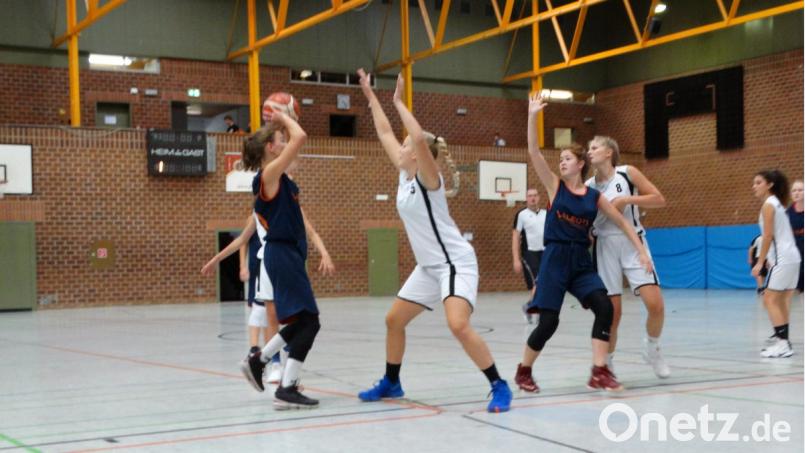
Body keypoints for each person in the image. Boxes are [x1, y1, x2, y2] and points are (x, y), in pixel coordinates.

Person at [355, 68, 512, 413]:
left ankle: (499, 385)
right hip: (428, 267)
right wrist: (370, 96)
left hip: (455, 262)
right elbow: (383, 131)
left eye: (407, 144)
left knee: (457, 324)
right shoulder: (404, 174)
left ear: (418, 153)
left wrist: (398, 101)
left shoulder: (430, 178)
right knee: (393, 320)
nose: (401, 145)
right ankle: (392, 382)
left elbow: (417, 136)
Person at [515, 94, 653, 394]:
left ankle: (599, 370)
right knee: (548, 323)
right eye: (560, 159)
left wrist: (642, 252)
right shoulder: (555, 187)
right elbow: (533, 150)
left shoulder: (594, 197)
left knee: (605, 308)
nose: (561, 162)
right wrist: (532, 116)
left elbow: (622, 221)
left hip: (579, 260)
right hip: (554, 258)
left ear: (580, 164)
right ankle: (524, 370)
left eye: (566, 158)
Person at [586, 136, 670, 379]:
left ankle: (652, 348)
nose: (590, 152)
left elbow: (659, 199)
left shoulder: (627, 173)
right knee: (612, 313)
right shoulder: (589, 185)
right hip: (604, 247)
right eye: (589, 148)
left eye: (594, 147)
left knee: (656, 305)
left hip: (633, 242)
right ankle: (608, 364)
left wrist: (627, 199)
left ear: (609, 152)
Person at [752, 170, 801, 358]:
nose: (754, 186)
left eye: (758, 182)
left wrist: (760, 263)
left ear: (769, 184)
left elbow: (768, 236)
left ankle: (782, 344)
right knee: (780, 301)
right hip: (792, 257)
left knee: (769, 299)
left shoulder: (769, 205)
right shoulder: (778, 204)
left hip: (783, 258)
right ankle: (784, 342)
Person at [512, 188, 546, 324]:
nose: (532, 198)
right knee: (537, 284)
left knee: (545, 284)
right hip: (529, 254)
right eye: (530, 196)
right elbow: (515, 237)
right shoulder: (521, 215)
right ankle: (540, 311)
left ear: (539, 197)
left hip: (545, 253)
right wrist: (516, 259)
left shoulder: (546, 214)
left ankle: (529, 307)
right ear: (526, 198)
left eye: (535, 195)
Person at [786, 180, 803, 293]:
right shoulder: (787, 212)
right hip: (794, 249)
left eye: (800, 190)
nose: (797, 193)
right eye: (794, 190)